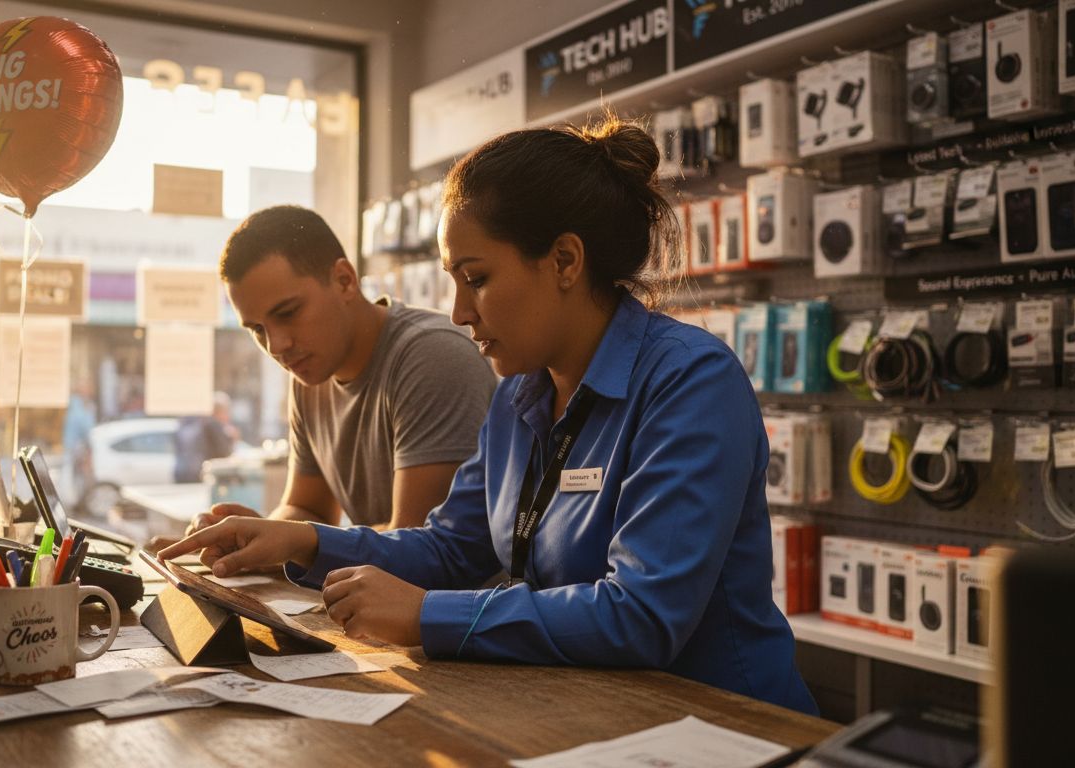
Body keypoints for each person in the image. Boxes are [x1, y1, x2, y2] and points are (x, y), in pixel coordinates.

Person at [161, 119, 816, 713]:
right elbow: (454, 545)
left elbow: (642, 614)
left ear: (564, 261)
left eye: (474, 279)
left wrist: (429, 615)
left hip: (725, 725)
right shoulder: (520, 393)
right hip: (590, 711)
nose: (458, 311)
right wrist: (305, 541)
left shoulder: (690, 381)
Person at [184, 205, 495, 534]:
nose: (276, 346)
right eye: (258, 329)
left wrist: (287, 543)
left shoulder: (433, 356)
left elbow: (417, 542)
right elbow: (308, 509)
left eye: (288, 313)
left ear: (345, 281)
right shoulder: (310, 374)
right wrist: (253, 535)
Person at [173, 391, 240, 483]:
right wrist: (230, 438)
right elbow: (224, 453)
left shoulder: (196, 423)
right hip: (203, 474)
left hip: (184, 473)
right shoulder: (213, 425)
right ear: (220, 411)